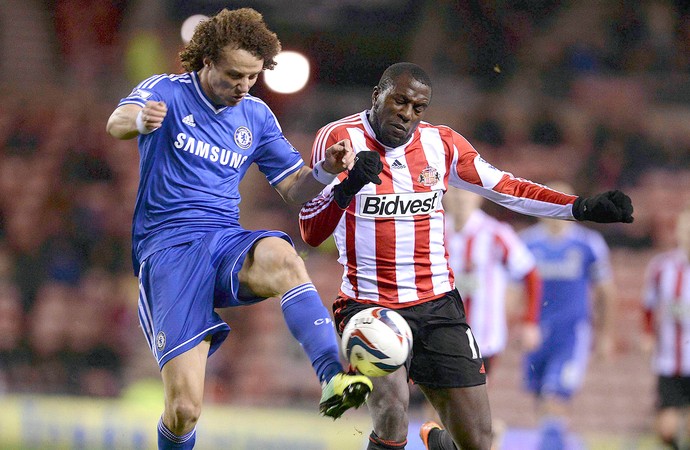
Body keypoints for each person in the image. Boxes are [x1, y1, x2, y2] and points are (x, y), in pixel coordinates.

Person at [298, 63, 633, 450]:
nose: (407, 114)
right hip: (368, 306)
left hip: (437, 306)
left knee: (479, 440)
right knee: (392, 410)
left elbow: (506, 187)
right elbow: (310, 229)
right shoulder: (339, 138)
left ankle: (436, 441)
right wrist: (348, 186)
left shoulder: (442, 145)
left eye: (418, 107)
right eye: (399, 101)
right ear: (377, 96)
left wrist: (580, 208)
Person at [106, 8, 372, 449]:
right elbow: (117, 121)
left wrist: (325, 170)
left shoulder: (257, 116)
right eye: (234, 75)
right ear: (206, 61)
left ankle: (334, 377)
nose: (244, 86)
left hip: (225, 239)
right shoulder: (165, 91)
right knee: (184, 410)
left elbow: (295, 189)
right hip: (169, 250)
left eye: (253, 76)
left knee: (285, 259)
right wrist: (138, 121)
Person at [519, 181, 616, 450]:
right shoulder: (527, 243)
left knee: (554, 399)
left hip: (571, 334)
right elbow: (514, 288)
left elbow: (606, 291)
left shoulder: (588, 244)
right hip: (537, 335)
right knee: (542, 402)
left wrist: (605, 335)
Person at [443, 188, 542, 374]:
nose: (461, 198)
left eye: (466, 193)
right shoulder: (431, 231)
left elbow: (530, 272)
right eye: (455, 193)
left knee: (472, 396)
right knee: (439, 398)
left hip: (483, 335)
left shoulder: (495, 233)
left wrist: (530, 321)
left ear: (478, 197)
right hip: (439, 331)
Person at [641, 204, 690, 450]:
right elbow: (648, 304)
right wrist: (648, 334)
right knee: (667, 429)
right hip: (670, 361)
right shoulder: (662, 267)